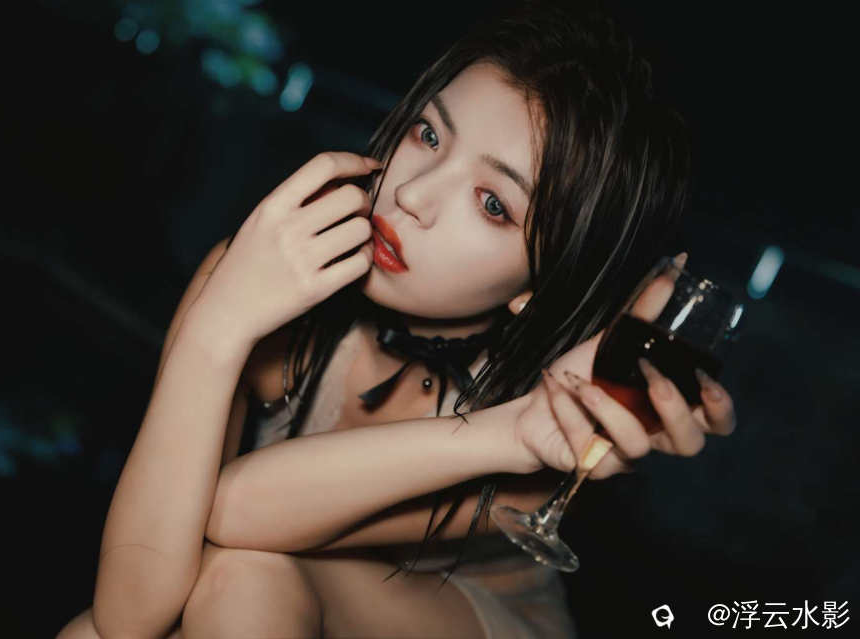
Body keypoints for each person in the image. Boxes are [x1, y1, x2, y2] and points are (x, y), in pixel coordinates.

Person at [58, 2, 737, 637]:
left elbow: (236, 517)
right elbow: (131, 609)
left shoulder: (551, 419)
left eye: (493, 204)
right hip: (261, 589)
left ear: (540, 287)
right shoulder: (256, 283)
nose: (411, 193)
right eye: (428, 133)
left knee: (239, 571)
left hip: (458, 617)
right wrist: (217, 329)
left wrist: (508, 432)